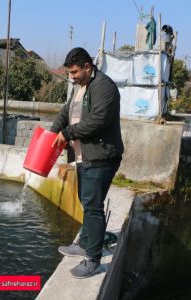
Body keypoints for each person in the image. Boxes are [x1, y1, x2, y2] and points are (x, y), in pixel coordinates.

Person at [51, 47, 124, 279]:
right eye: (69, 73)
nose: (71, 76)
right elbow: (66, 112)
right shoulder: (80, 87)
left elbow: (98, 121)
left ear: (87, 67)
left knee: (93, 206)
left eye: (74, 72)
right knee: (87, 202)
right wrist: (53, 133)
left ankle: (92, 258)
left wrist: (68, 133)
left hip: (101, 157)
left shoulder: (104, 87)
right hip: (84, 156)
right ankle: (85, 242)